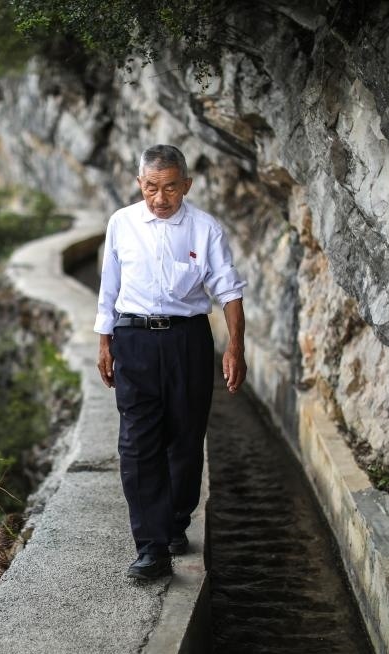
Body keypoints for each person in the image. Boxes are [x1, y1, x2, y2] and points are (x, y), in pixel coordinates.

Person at [95, 144, 247, 580]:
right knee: (136, 443)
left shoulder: (205, 229)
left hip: (187, 341)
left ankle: (177, 519)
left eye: (170, 188)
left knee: (185, 438)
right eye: (151, 188)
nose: (160, 198)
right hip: (133, 340)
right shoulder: (122, 223)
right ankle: (151, 547)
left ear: (187, 185)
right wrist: (104, 342)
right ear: (139, 183)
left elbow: (229, 292)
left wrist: (235, 347)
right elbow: (109, 287)